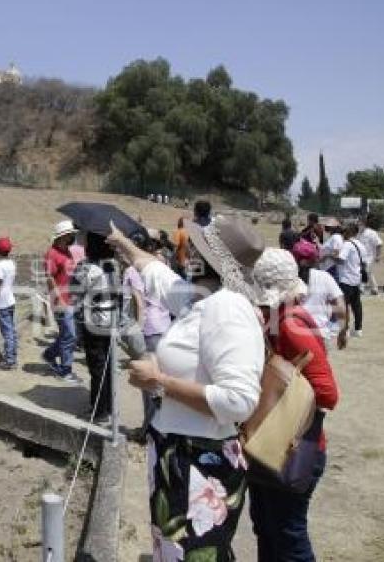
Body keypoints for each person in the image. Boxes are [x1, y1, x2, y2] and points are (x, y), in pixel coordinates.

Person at [109, 215, 265, 561]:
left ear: (209, 259)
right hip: (178, 455)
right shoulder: (200, 296)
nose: (187, 247)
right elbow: (157, 275)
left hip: (201, 460)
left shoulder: (227, 309)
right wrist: (124, 244)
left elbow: (239, 401)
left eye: (196, 245)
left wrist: (158, 382)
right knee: (177, 549)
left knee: (195, 553)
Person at [250, 248, 340, 561]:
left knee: (288, 537)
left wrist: (283, 383)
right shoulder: (277, 320)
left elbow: (328, 394)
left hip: (292, 446)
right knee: (267, 527)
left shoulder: (290, 324)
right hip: (272, 444)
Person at [123, 232, 173, 431]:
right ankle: (162, 424)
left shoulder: (132, 270)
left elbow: (139, 302)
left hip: (150, 328)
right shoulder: (159, 265)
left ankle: (148, 429)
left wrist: (139, 328)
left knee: (148, 381)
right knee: (163, 378)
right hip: (165, 324)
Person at [71, 231, 122, 423]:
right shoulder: (113, 265)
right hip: (111, 319)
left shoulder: (88, 268)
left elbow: (74, 288)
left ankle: (99, 412)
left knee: (97, 366)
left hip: (94, 321)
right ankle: (107, 406)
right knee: (107, 364)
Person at [291, 240, 347, 350]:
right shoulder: (325, 277)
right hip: (319, 335)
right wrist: (343, 331)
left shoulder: (288, 279)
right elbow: (341, 309)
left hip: (294, 335)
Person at [43, 221, 81, 381]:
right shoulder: (52, 253)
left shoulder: (67, 252)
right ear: (63, 236)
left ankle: (49, 354)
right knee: (70, 336)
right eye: (71, 234)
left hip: (70, 298)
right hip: (60, 301)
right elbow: (49, 276)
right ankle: (65, 370)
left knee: (68, 334)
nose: (73, 237)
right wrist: (57, 297)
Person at [0, 237, 17, 370]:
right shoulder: (11, 263)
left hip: (2, 303)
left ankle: (9, 360)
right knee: (11, 330)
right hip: (10, 300)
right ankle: (13, 356)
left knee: (7, 332)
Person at [336, 223, 366, 338]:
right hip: (356, 279)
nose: (344, 232)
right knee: (357, 305)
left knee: (345, 305)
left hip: (346, 278)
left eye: (346, 230)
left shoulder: (347, 244)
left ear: (350, 232)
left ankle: (346, 329)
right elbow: (364, 262)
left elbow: (341, 259)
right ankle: (358, 329)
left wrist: (333, 256)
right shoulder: (361, 245)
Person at [357, 215, 383, 295]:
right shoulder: (357, 233)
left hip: (370, 256)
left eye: (359, 223)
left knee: (365, 271)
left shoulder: (372, 233)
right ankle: (374, 288)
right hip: (359, 257)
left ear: (364, 223)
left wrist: (378, 255)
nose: (358, 225)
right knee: (368, 272)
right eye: (358, 223)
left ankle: (361, 288)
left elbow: (379, 244)